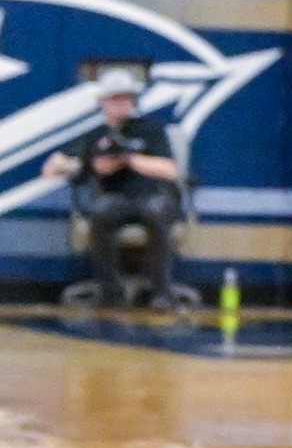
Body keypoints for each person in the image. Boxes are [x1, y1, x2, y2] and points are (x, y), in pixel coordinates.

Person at [38, 68, 183, 308]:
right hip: (115, 197)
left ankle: (159, 291)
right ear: (103, 102)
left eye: (127, 98)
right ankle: (110, 292)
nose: (122, 104)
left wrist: (130, 159)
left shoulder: (151, 130)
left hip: (153, 195)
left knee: (156, 212)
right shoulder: (94, 136)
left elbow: (170, 170)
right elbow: (52, 168)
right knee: (101, 213)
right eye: (116, 98)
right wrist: (81, 164)